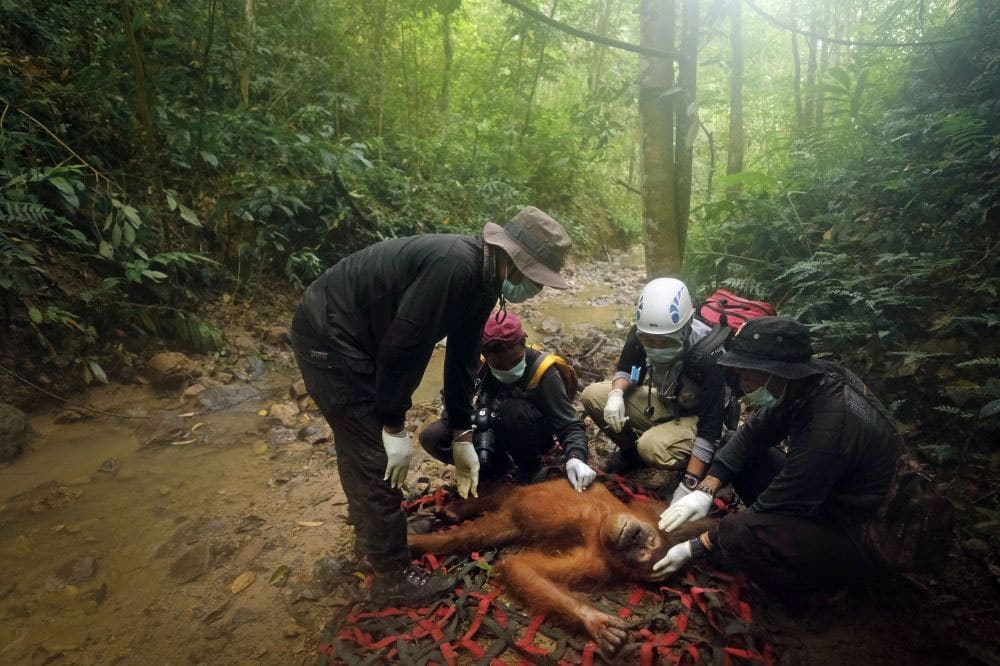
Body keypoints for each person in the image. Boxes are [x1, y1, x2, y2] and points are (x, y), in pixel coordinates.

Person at [289, 206, 572, 605]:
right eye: (536, 278)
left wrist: (462, 430)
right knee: (373, 453)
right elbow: (405, 346)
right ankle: (392, 575)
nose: (535, 289)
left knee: (362, 447)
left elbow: (462, 356)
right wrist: (393, 425)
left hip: (357, 338)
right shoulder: (455, 267)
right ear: (518, 261)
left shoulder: (483, 278)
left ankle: (374, 540)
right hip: (331, 338)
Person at [652, 317, 900, 599]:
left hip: (852, 529)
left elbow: (782, 504)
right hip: (826, 492)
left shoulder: (828, 425)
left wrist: (695, 547)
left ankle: (815, 588)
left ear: (779, 373)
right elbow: (752, 435)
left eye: (748, 375)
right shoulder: (808, 383)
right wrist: (705, 489)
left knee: (739, 530)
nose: (744, 385)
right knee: (733, 443)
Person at [580, 277, 728, 502]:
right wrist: (616, 395)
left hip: (701, 418)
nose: (656, 347)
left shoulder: (709, 355)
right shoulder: (641, 333)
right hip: (666, 401)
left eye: (666, 342)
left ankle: (697, 464)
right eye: (651, 341)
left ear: (686, 328)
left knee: (651, 447)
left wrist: (690, 484)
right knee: (593, 395)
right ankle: (631, 454)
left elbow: (711, 428)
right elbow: (626, 370)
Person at [419, 311, 597, 496]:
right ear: (485, 356)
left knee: (512, 410)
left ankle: (529, 470)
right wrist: (465, 431)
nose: (509, 369)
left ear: (523, 344)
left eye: (515, 362)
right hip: (488, 431)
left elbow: (569, 424)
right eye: (500, 367)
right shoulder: (476, 366)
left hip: (528, 432)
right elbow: (452, 406)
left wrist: (576, 458)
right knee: (433, 436)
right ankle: (492, 469)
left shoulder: (543, 371)